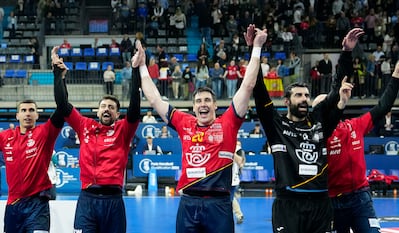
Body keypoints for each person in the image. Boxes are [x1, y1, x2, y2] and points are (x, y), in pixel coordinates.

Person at [137, 24, 267, 233]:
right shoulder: (183, 122)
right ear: (194, 106)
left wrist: (257, 48)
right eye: (198, 101)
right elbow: (153, 98)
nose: (203, 104)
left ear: (215, 105)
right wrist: (143, 66)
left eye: (207, 100)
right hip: (188, 203)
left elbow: (247, 85)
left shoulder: (229, 122)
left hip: (219, 205)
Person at [252, 28, 362, 233]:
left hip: (320, 204)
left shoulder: (319, 120)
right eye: (298, 96)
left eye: (306, 95)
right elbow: (258, 89)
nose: (304, 99)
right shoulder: (276, 126)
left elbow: (338, 88)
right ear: (286, 101)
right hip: (288, 204)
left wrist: (347, 52)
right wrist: (255, 48)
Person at [51, 44, 141, 233]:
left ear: (117, 114)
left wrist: (135, 71)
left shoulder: (123, 130)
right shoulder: (84, 125)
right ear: (97, 111)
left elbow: (134, 108)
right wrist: (58, 75)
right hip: (87, 200)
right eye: (103, 106)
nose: (106, 109)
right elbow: (62, 104)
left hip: (113, 201)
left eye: (111, 107)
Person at [323, 56, 399, 233]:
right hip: (330, 201)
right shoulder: (316, 136)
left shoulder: (354, 125)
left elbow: (382, 107)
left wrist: (396, 75)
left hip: (360, 197)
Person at [0, 99, 64, 232]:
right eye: (23, 110)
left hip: (38, 205)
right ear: (17, 115)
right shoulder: (5, 137)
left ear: (37, 115)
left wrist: (59, 78)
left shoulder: (45, 132)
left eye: (31, 110)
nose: (27, 114)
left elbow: (62, 106)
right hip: (13, 205)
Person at [231, 140, 245, 224]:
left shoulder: (238, 150)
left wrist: (231, 150)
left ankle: (239, 215)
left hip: (232, 179)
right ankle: (239, 214)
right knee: (230, 198)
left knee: (230, 197)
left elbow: (240, 162)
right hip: (223, 178)